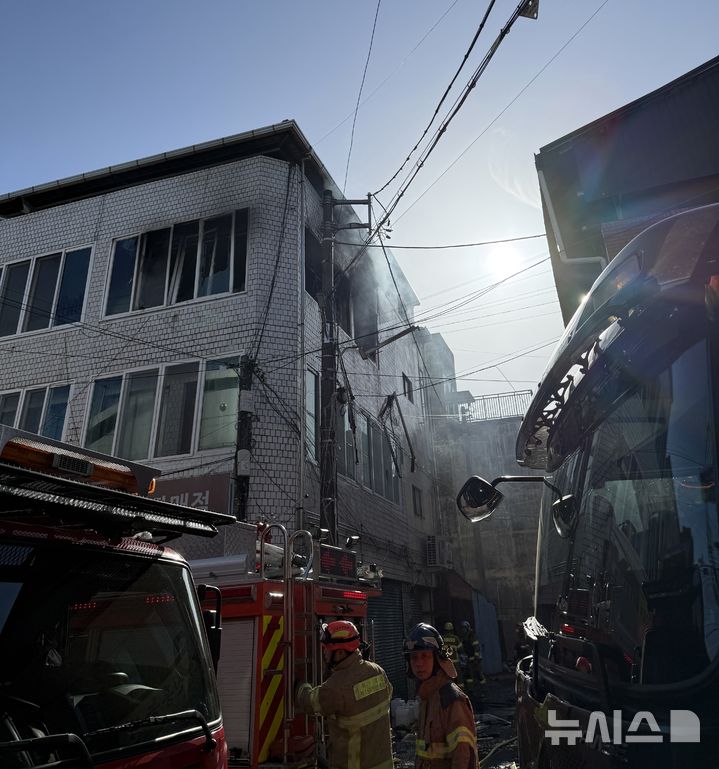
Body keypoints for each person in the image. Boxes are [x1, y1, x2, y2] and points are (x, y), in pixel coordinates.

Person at [295, 620, 393, 769]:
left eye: (327, 649)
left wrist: (299, 686)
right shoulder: (378, 671)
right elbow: (387, 694)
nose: (324, 653)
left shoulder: (337, 686)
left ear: (340, 652)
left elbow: (310, 703)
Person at [403, 623, 478, 769]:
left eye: (425, 656)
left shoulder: (451, 700)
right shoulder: (427, 697)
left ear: (438, 659)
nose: (419, 663)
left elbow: (463, 757)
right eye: (414, 657)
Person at [459, 621, 485, 691]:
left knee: (479, 674)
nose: (462, 630)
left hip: (476, 658)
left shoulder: (472, 635)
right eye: (462, 628)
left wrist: (476, 658)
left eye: (464, 628)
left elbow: (476, 647)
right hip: (469, 658)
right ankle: (471, 689)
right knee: (469, 675)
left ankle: (483, 689)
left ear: (467, 628)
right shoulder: (463, 636)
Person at [441, 622, 464, 689]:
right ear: (452, 630)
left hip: (446, 662)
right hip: (455, 662)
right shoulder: (456, 638)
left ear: (445, 630)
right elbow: (461, 650)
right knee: (459, 677)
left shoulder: (442, 638)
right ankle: (460, 690)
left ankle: (447, 690)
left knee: (446, 677)